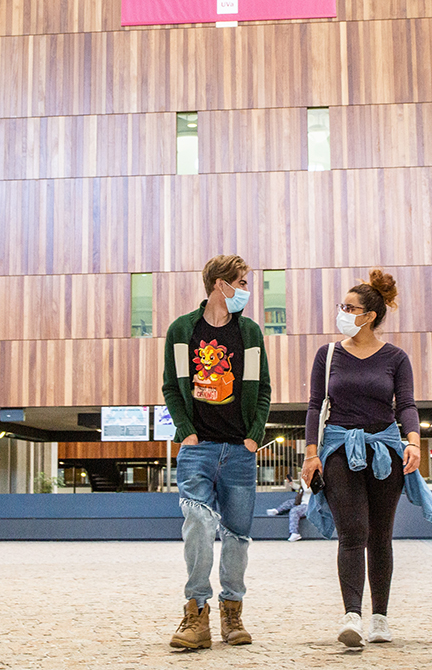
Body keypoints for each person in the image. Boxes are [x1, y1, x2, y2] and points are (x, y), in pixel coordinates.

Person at [301, 270, 432, 648]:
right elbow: (315, 406)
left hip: (386, 451)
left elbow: (406, 404)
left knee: (380, 536)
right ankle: (352, 616)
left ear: (371, 315)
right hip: (340, 449)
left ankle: (380, 618)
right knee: (352, 533)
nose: (343, 312)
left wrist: (413, 441)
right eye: (341, 306)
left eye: (351, 307)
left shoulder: (396, 357)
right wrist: (311, 453)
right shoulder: (328, 355)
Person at [162, 255, 272, 650]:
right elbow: (172, 388)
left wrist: (254, 436)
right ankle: (195, 612)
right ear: (220, 284)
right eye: (241, 281)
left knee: (238, 535)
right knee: (198, 524)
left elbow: (262, 390)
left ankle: (232, 612)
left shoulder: (250, 332)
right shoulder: (181, 330)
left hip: (240, 451)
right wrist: (187, 432)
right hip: (198, 449)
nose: (246, 289)